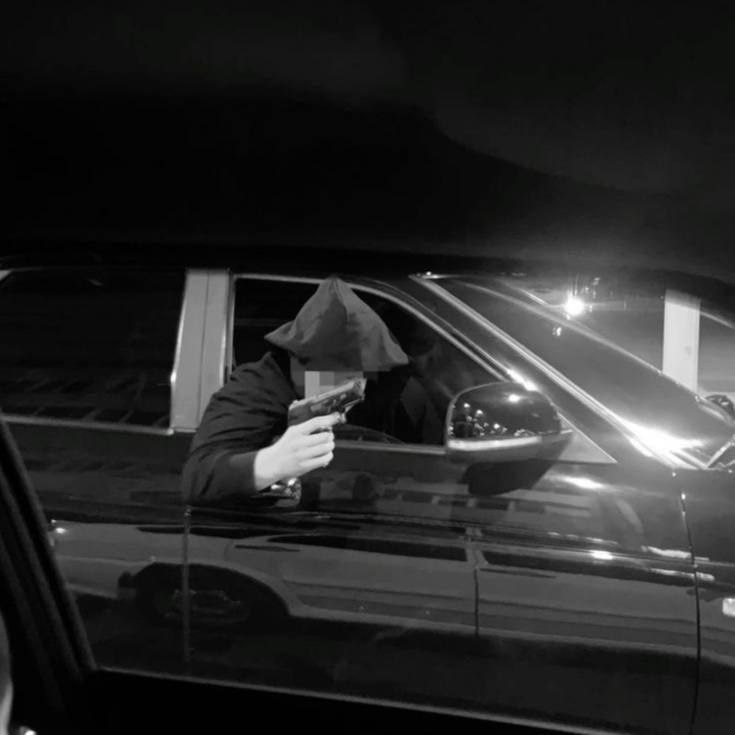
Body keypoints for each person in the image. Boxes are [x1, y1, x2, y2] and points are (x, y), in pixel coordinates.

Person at [181, 276, 436, 504]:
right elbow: (198, 476)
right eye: (336, 372)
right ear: (298, 359)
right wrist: (274, 462)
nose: (348, 389)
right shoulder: (256, 388)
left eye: (358, 374)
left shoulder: (382, 391)